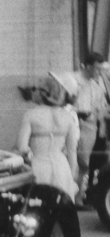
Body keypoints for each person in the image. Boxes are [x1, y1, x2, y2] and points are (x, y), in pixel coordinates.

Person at [16, 75, 79, 201]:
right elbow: (72, 152)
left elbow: (22, 147)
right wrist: (71, 177)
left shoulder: (31, 115)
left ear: (42, 93)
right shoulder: (68, 118)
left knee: (39, 207)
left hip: (38, 167)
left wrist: (27, 157)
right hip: (62, 168)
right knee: (61, 209)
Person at [73, 52, 109, 206]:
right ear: (87, 66)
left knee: (86, 163)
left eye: (101, 69)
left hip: (91, 127)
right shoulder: (73, 80)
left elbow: (101, 105)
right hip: (75, 124)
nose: (99, 72)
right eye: (96, 69)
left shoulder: (98, 83)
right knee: (74, 161)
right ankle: (71, 195)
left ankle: (80, 196)